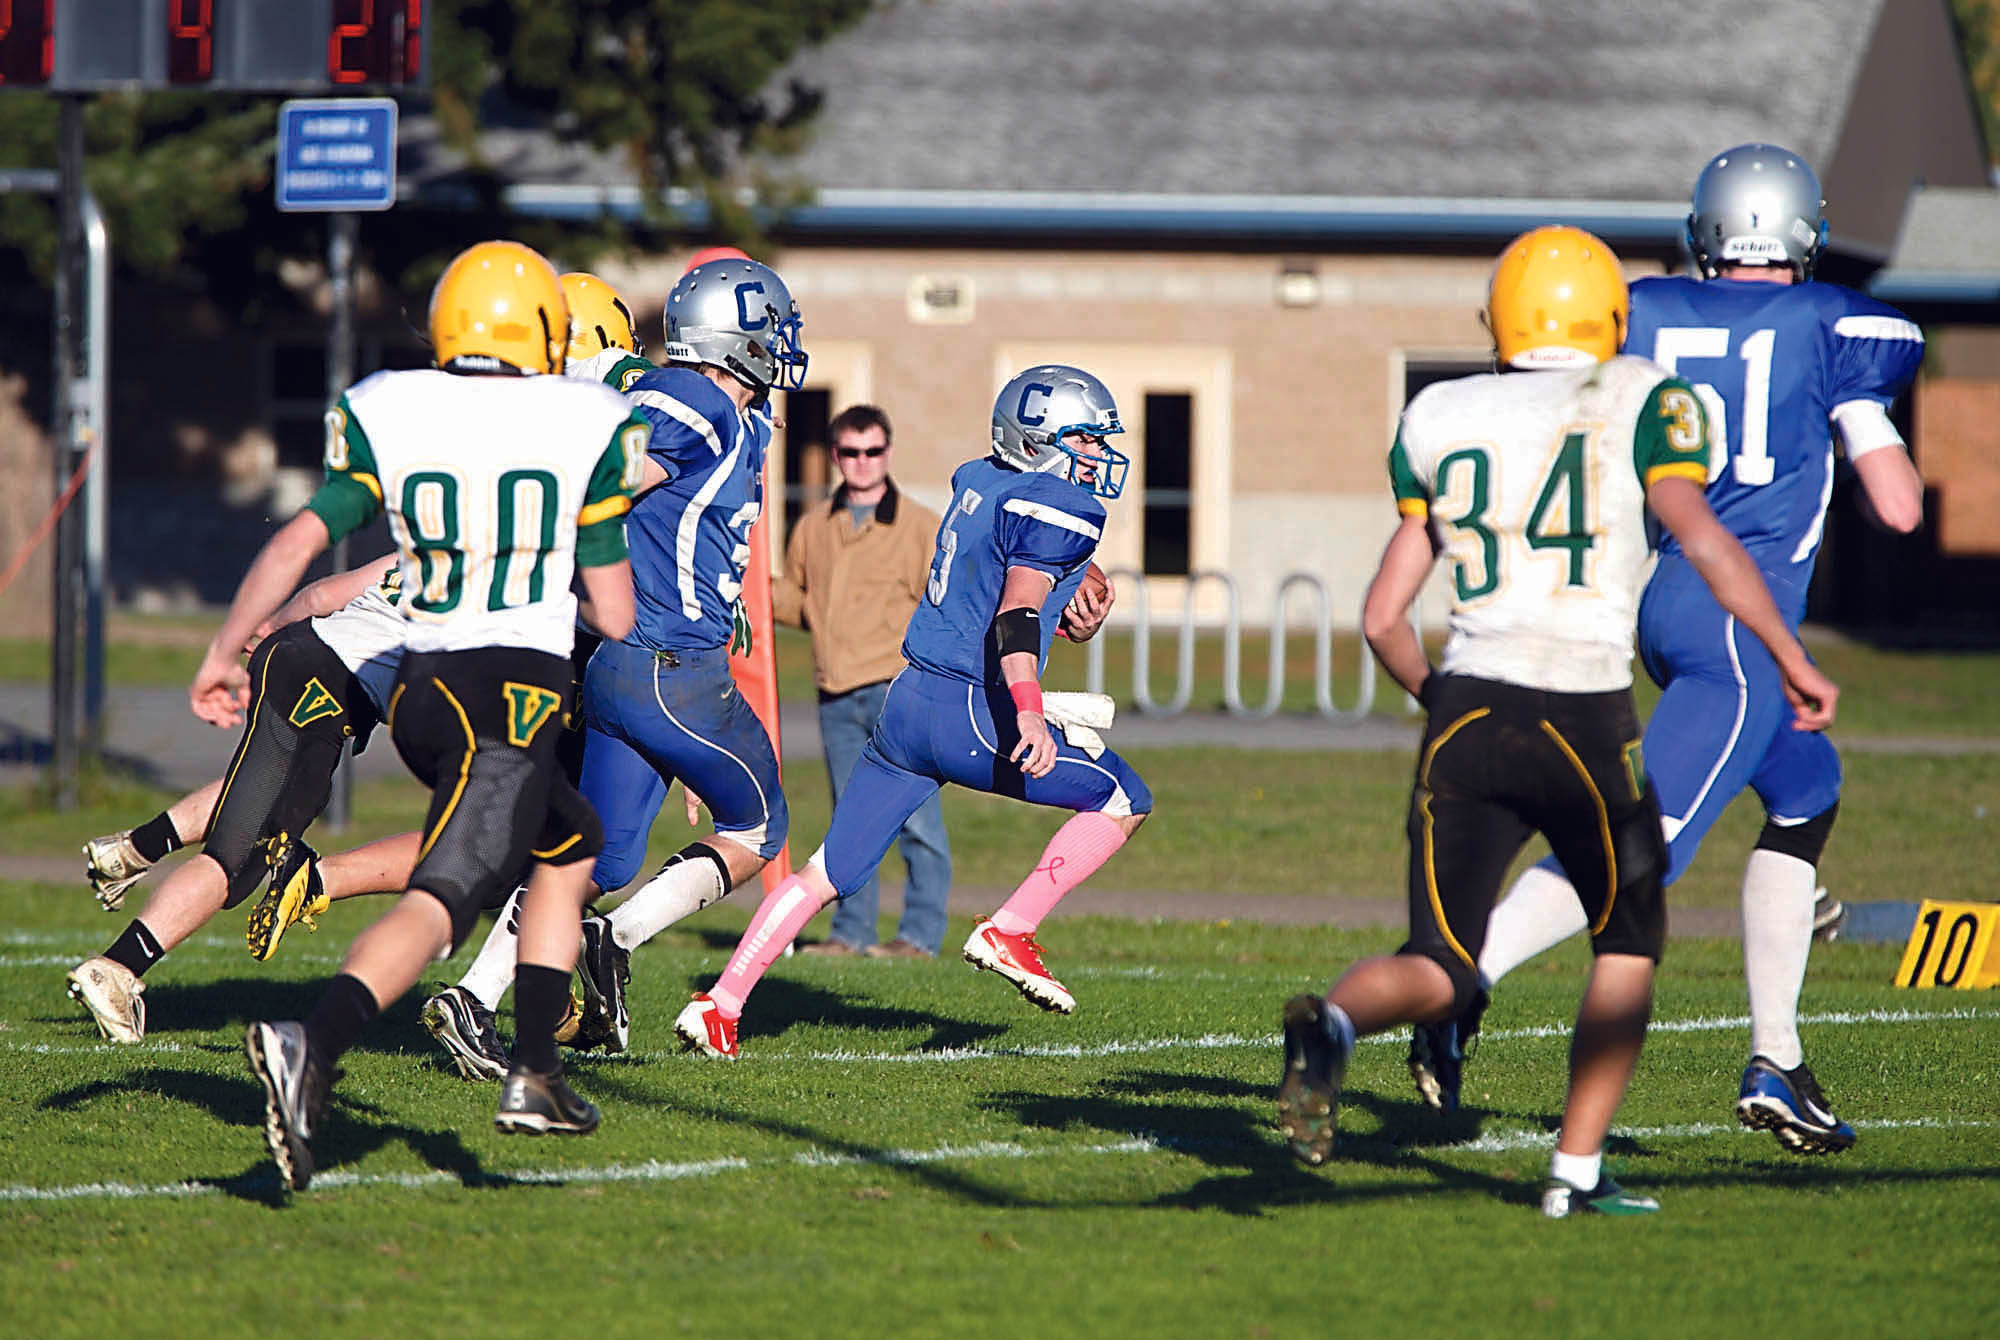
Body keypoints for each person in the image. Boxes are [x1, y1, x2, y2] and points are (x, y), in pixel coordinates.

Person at [1278, 226, 1838, 1218]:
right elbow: (1701, 536)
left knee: (1437, 964)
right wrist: (1788, 654)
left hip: (1467, 708)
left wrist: (1440, 701)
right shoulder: (1639, 398)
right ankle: (1573, 1171)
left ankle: (1329, 1019)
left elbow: (1378, 616)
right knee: (1624, 936)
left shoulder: (1440, 410)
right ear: (1608, 317)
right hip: (1582, 712)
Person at [1410, 146, 1923, 1157]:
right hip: (1741, 621)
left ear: (1705, 229)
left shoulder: (1641, 309)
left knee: (1805, 791)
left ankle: (1775, 1056)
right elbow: (1900, 508)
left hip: (1660, 603)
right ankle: (1458, 981)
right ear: (1801, 233)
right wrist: (1857, 419)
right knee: (1639, 849)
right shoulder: (1831, 329)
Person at [208, 239, 645, 1190]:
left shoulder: (387, 403)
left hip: (421, 687)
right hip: (513, 694)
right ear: (541, 327)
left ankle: (534, 1069)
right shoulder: (587, 418)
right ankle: (310, 1046)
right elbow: (613, 612)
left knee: (569, 846)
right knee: (446, 896)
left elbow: (302, 537)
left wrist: (223, 646)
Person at [671, 364, 1138, 1061]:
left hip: (906, 700)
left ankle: (722, 1002)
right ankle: (1010, 928)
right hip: (971, 709)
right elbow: (1015, 615)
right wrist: (1031, 712)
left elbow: (1018, 580)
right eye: (1086, 440)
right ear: (1041, 442)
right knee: (1126, 796)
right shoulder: (1059, 506)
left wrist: (1080, 587)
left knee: (827, 871)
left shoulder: (979, 478)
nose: (1100, 455)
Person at [419, 255, 807, 1079]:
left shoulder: (735, 409)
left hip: (622, 667)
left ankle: (472, 1000)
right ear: (732, 337)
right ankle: (617, 937)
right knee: (760, 826)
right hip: (674, 666)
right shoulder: (697, 397)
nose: (781, 344)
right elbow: (616, 477)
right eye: (769, 327)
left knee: (603, 857)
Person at [64, 560, 423, 1042]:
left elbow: (320, 597)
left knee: (255, 800)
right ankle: (116, 969)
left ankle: (132, 850)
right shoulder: (501, 579)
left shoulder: (426, 535)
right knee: (239, 860)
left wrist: (271, 629)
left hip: (295, 651)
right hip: (325, 690)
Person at [777, 404, 953, 959]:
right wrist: (746, 580)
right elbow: (798, 600)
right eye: (850, 452)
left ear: (888, 454)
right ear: (835, 456)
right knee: (849, 823)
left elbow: (944, 605)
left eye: (872, 451)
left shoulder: (922, 526)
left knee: (917, 820)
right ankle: (850, 933)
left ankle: (919, 937)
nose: (861, 462)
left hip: (897, 692)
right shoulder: (812, 527)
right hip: (833, 693)